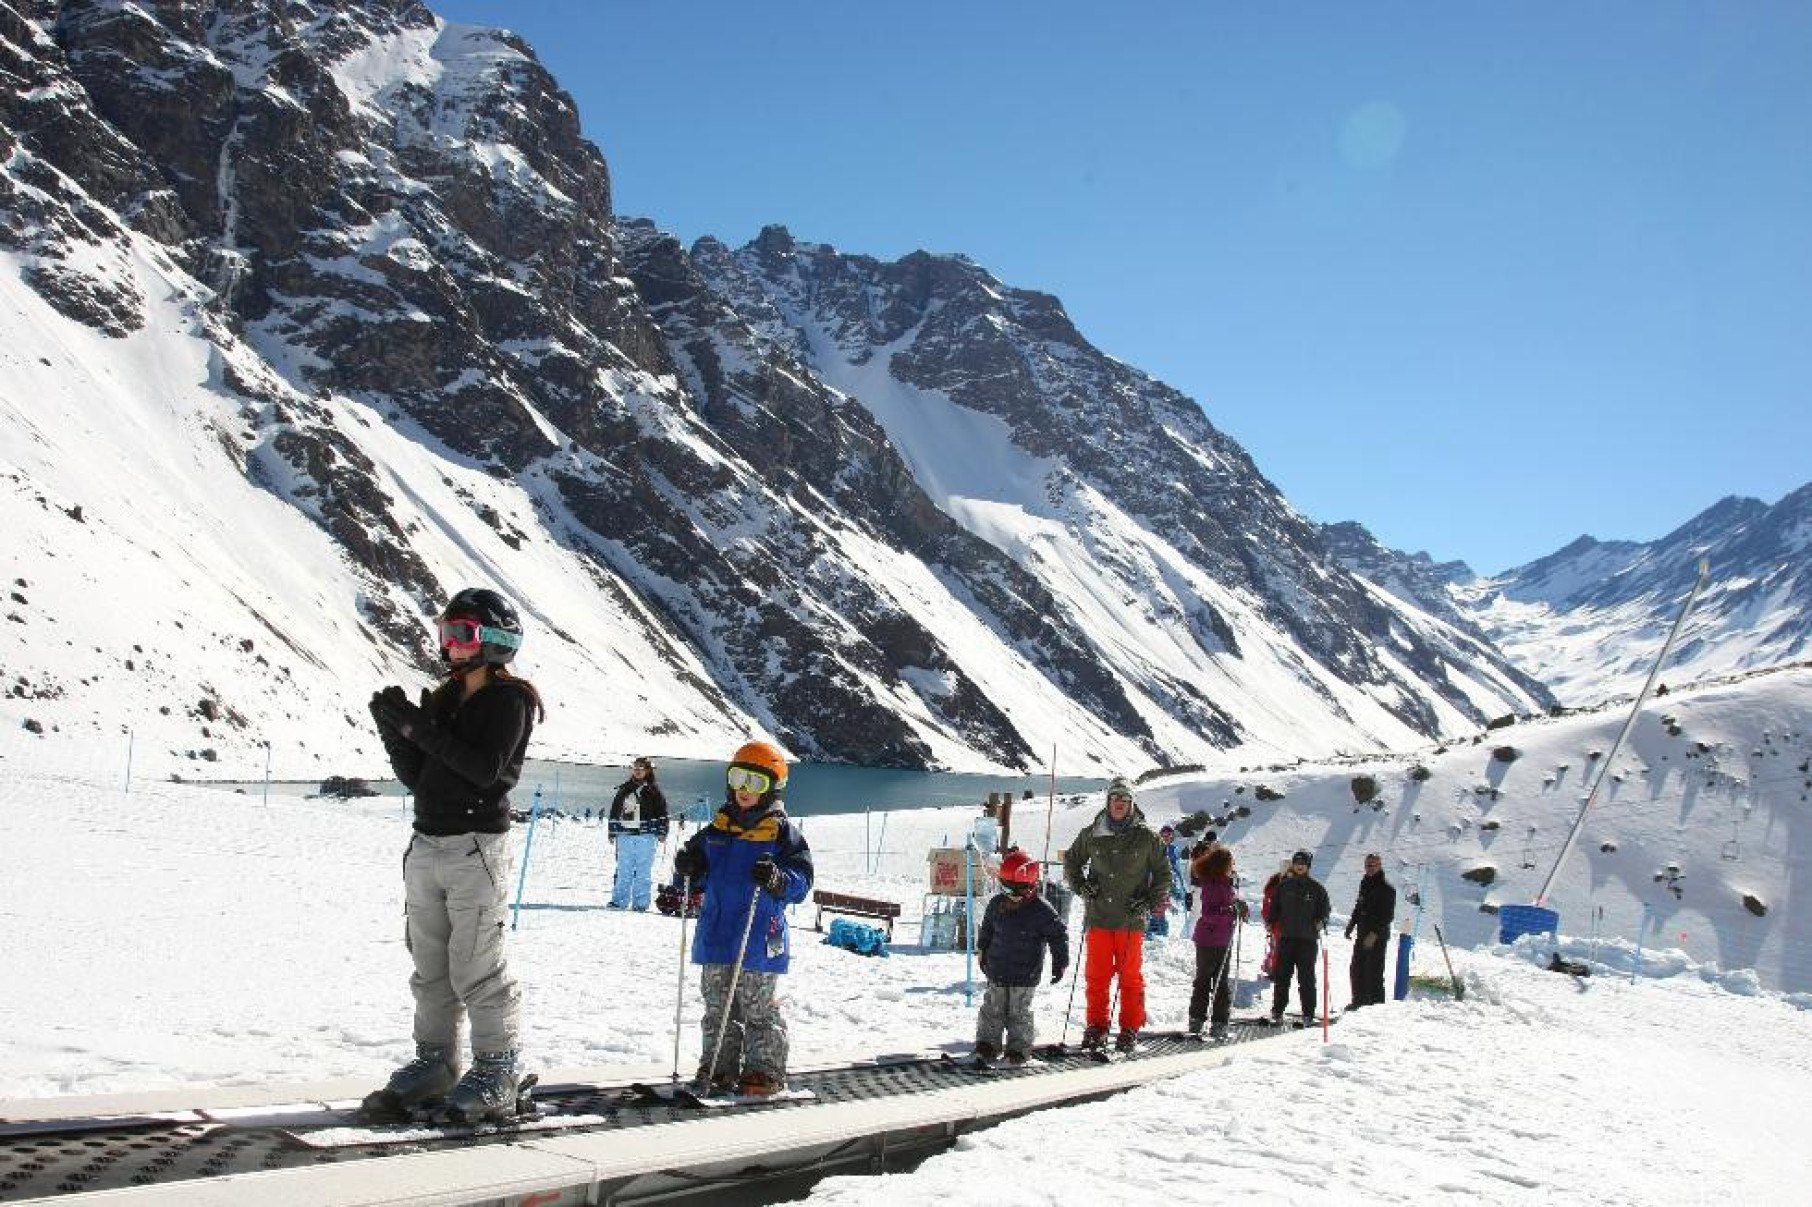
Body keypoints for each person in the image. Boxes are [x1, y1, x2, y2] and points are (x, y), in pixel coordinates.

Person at [364, 587, 545, 1122]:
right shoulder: (445, 698)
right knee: (430, 963)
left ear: (494, 641)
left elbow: (484, 770)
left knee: (477, 964)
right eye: (446, 633)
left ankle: (498, 1069)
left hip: (475, 848)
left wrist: (415, 728)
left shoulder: (510, 701)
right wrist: (394, 732)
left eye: (462, 634)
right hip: (428, 843)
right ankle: (436, 1063)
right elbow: (422, 779)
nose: (450, 645)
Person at [672, 740, 813, 1097]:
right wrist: (688, 869)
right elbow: (693, 878)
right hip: (717, 932)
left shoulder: (782, 834)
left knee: (757, 1008)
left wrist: (779, 879)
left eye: (755, 782)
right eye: (738, 778)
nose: (744, 790)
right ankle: (718, 1068)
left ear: (772, 788)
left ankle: (763, 1072)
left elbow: (801, 883)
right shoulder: (715, 831)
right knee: (717, 1007)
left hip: (758, 937)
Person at [1061, 777, 1172, 1053]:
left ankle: (1129, 1028)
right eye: (1115, 799)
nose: (1119, 804)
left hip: (1130, 919)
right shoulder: (1092, 834)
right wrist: (1081, 886)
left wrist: (1147, 902)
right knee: (1096, 976)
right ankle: (1096, 1027)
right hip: (1098, 916)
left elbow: (1163, 874)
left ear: (1131, 803)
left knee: (1130, 977)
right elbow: (1072, 862)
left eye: (1124, 800)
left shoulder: (1148, 837)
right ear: (1108, 802)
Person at [974, 849, 1069, 1064]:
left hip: (1025, 974)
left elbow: (1058, 935)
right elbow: (987, 929)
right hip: (997, 969)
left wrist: (1060, 962)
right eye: (1007, 888)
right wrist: (982, 951)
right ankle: (987, 1044)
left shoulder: (1041, 910)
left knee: (1019, 1013)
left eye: (1019, 890)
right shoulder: (996, 904)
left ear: (1032, 886)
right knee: (992, 1009)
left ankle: (1018, 1049)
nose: (1013, 895)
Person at [1263, 849, 1331, 1026]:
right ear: (1293, 864)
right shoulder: (1284, 886)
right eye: (1297, 863)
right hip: (1287, 938)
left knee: (1306, 978)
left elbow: (1325, 911)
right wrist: (1270, 921)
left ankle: (1308, 1013)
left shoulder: (1317, 889)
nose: (1299, 866)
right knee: (1282, 977)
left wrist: (1321, 921)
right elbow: (1274, 908)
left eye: (1303, 863)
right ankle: (1277, 1012)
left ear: (1308, 866)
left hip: (1307, 940)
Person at [1187, 844, 1248, 1039]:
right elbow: (1209, 914)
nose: (1233, 866)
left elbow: (1226, 907)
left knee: (1217, 981)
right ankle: (1204, 1020)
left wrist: (1238, 909)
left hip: (1221, 938)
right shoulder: (1213, 884)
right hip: (1210, 938)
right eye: (1231, 863)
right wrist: (1230, 910)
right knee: (1209, 980)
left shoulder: (1225, 883)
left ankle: (1213, 1020)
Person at [607, 756, 669, 910]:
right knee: (623, 869)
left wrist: (662, 830)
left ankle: (640, 903)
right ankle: (619, 901)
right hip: (625, 835)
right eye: (635, 768)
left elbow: (663, 812)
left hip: (646, 836)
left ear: (647, 770)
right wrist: (612, 830)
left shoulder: (654, 791)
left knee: (643, 871)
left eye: (641, 768)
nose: (638, 771)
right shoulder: (624, 789)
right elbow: (615, 810)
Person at [1346, 852, 1398, 1009]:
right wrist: (1351, 925)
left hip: (1377, 936)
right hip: (1362, 932)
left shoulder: (1387, 888)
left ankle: (1375, 1006)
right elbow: (1359, 905)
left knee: (1373, 971)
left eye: (1374, 865)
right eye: (1368, 865)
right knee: (1357, 968)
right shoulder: (1365, 883)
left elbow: (1387, 916)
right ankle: (1358, 1001)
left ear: (1380, 866)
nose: (1370, 868)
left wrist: (1374, 934)